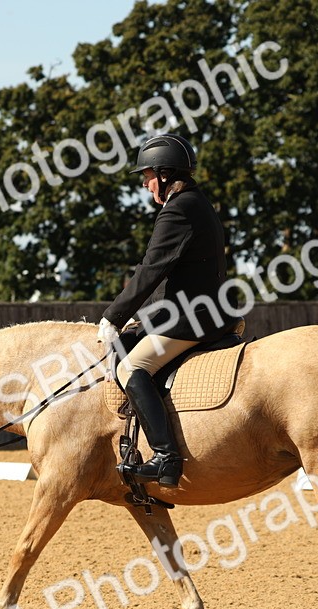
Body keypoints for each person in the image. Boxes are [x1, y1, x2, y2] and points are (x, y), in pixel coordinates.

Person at [97, 133, 237, 487]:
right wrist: (140, 315)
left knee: (132, 367)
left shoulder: (178, 209)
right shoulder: (196, 203)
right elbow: (174, 275)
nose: (145, 185)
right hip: (202, 309)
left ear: (163, 174)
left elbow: (152, 268)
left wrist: (113, 316)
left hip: (196, 317)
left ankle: (165, 458)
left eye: (147, 176)